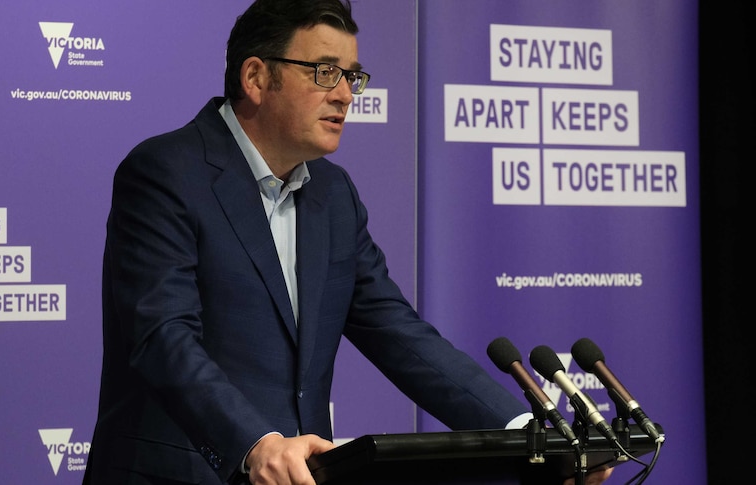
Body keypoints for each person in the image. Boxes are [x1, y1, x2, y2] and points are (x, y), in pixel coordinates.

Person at [84, 1, 613, 484]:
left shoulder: (332, 195)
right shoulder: (165, 173)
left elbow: (398, 333)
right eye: (324, 71)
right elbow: (164, 337)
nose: (344, 94)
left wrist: (528, 436)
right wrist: (254, 443)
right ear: (256, 77)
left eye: (351, 76)